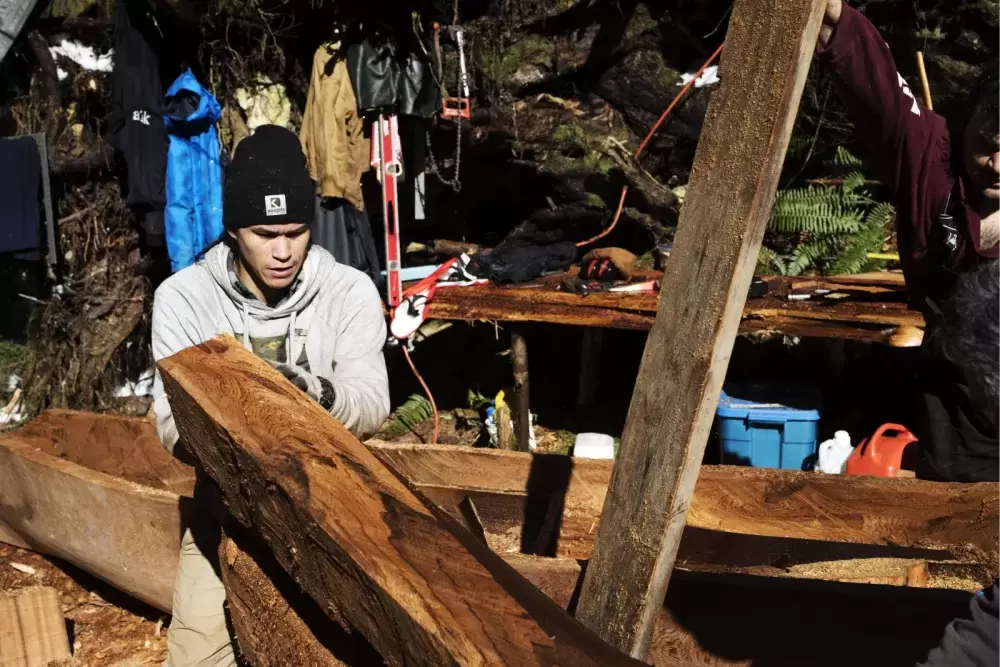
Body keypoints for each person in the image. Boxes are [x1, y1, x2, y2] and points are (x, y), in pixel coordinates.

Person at [150, 124, 390, 666]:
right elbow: (171, 423)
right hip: (225, 510)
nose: (283, 251)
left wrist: (311, 393)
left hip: (337, 507)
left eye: (296, 231)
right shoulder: (184, 299)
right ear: (234, 229)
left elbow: (372, 401)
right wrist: (247, 420)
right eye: (264, 233)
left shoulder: (348, 290)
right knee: (198, 660)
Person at [816, 0, 999, 483]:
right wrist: (828, 16)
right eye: (987, 144)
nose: (997, 166)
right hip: (952, 416)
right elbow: (880, 89)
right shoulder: (931, 161)